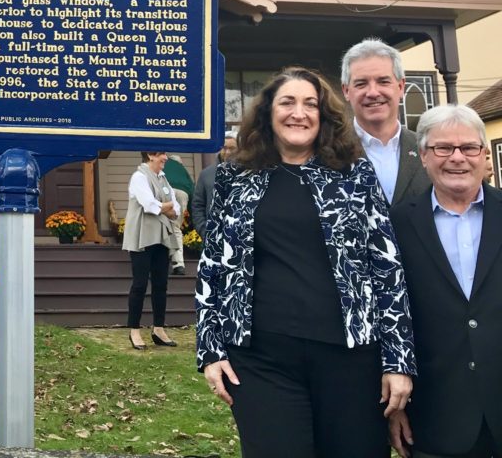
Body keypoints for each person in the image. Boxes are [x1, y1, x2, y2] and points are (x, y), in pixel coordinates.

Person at [197, 67, 415, 457]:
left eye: (310, 104)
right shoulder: (234, 178)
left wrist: (398, 360)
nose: (299, 113)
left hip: (351, 360)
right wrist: (210, 351)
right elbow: (214, 266)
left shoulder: (354, 175)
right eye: (288, 102)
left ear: (324, 116)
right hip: (262, 360)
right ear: (267, 113)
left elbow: (387, 268)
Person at [388, 104, 502, 458]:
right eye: (443, 148)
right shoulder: (395, 225)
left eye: (469, 148)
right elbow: (389, 315)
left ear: (485, 156)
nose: (457, 158)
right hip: (435, 417)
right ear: (423, 155)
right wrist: (396, 407)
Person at [341, 38, 431, 205]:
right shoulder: (328, 151)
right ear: (346, 91)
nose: (373, 92)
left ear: (401, 86)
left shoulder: (429, 149)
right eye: (361, 84)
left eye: (383, 81)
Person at [124, 150, 181, 349]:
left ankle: (158, 329)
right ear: (150, 155)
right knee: (139, 284)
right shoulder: (139, 177)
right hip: (141, 237)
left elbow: (177, 208)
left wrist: (165, 206)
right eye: (162, 154)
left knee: (160, 285)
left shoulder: (163, 178)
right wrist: (167, 206)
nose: (165, 158)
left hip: (161, 237)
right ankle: (134, 331)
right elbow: (149, 206)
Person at [190, 129, 238, 239]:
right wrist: (205, 231)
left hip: (240, 240)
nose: (227, 152)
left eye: (232, 148)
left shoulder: (247, 174)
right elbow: (198, 206)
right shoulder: (206, 174)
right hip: (213, 239)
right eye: (224, 148)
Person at [163, 155, 194, 275]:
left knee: (161, 227)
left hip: (165, 190)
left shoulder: (161, 161)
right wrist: (192, 215)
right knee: (175, 228)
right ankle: (179, 264)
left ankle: (159, 262)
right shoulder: (182, 168)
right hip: (183, 193)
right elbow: (192, 189)